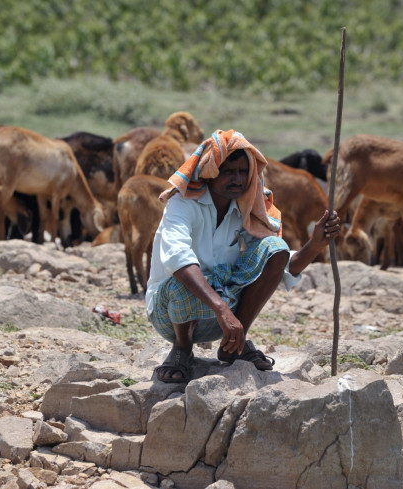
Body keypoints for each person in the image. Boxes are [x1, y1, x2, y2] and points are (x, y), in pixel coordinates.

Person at [145, 129, 341, 383]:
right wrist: (222, 309)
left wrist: (314, 245)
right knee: (185, 278)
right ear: (211, 172)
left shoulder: (243, 206)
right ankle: (181, 349)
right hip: (170, 313)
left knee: (275, 247)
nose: (237, 179)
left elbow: (279, 262)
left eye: (242, 172)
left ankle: (234, 344)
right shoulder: (182, 203)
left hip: (220, 315)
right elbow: (177, 259)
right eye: (229, 172)